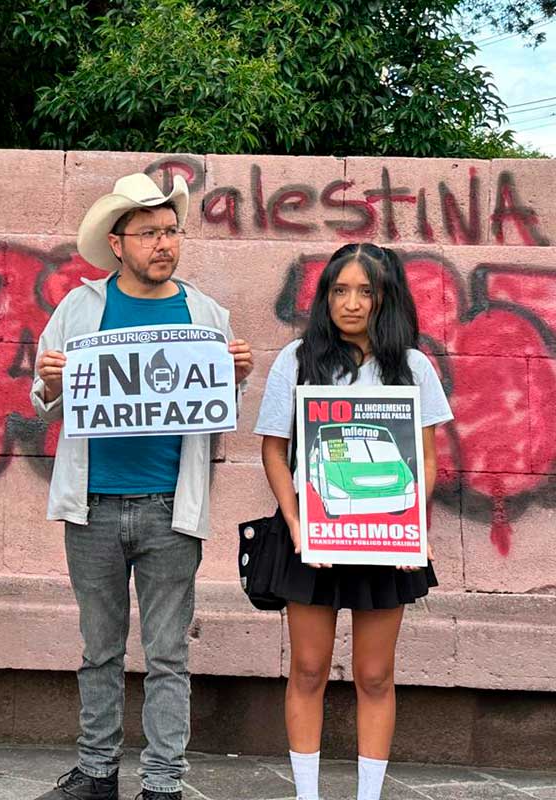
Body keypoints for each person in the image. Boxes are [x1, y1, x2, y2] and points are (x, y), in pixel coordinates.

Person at [30, 173, 253, 800]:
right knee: (99, 650)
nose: (164, 243)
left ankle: (162, 782)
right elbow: (45, 401)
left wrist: (236, 374)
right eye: (149, 233)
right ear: (117, 242)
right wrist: (50, 380)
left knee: (167, 655)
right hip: (92, 508)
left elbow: (213, 408)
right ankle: (98, 774)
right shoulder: (78, 308)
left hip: (168, 511)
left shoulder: (206, 313)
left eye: (171, 231)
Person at [253, 243, 451, 800]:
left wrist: (412, 522)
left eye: (367, 291)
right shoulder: (295, 359)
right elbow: (275, 451)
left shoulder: (413, 366)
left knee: (374, 675)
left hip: (385, 541)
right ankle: (306, 794)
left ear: (387, 298)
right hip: (311, 537)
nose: (352, 302)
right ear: (325, 296)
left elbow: (427, 460)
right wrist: (296, 525)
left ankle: (369, 795)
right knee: (309, 669)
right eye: (340, 290)